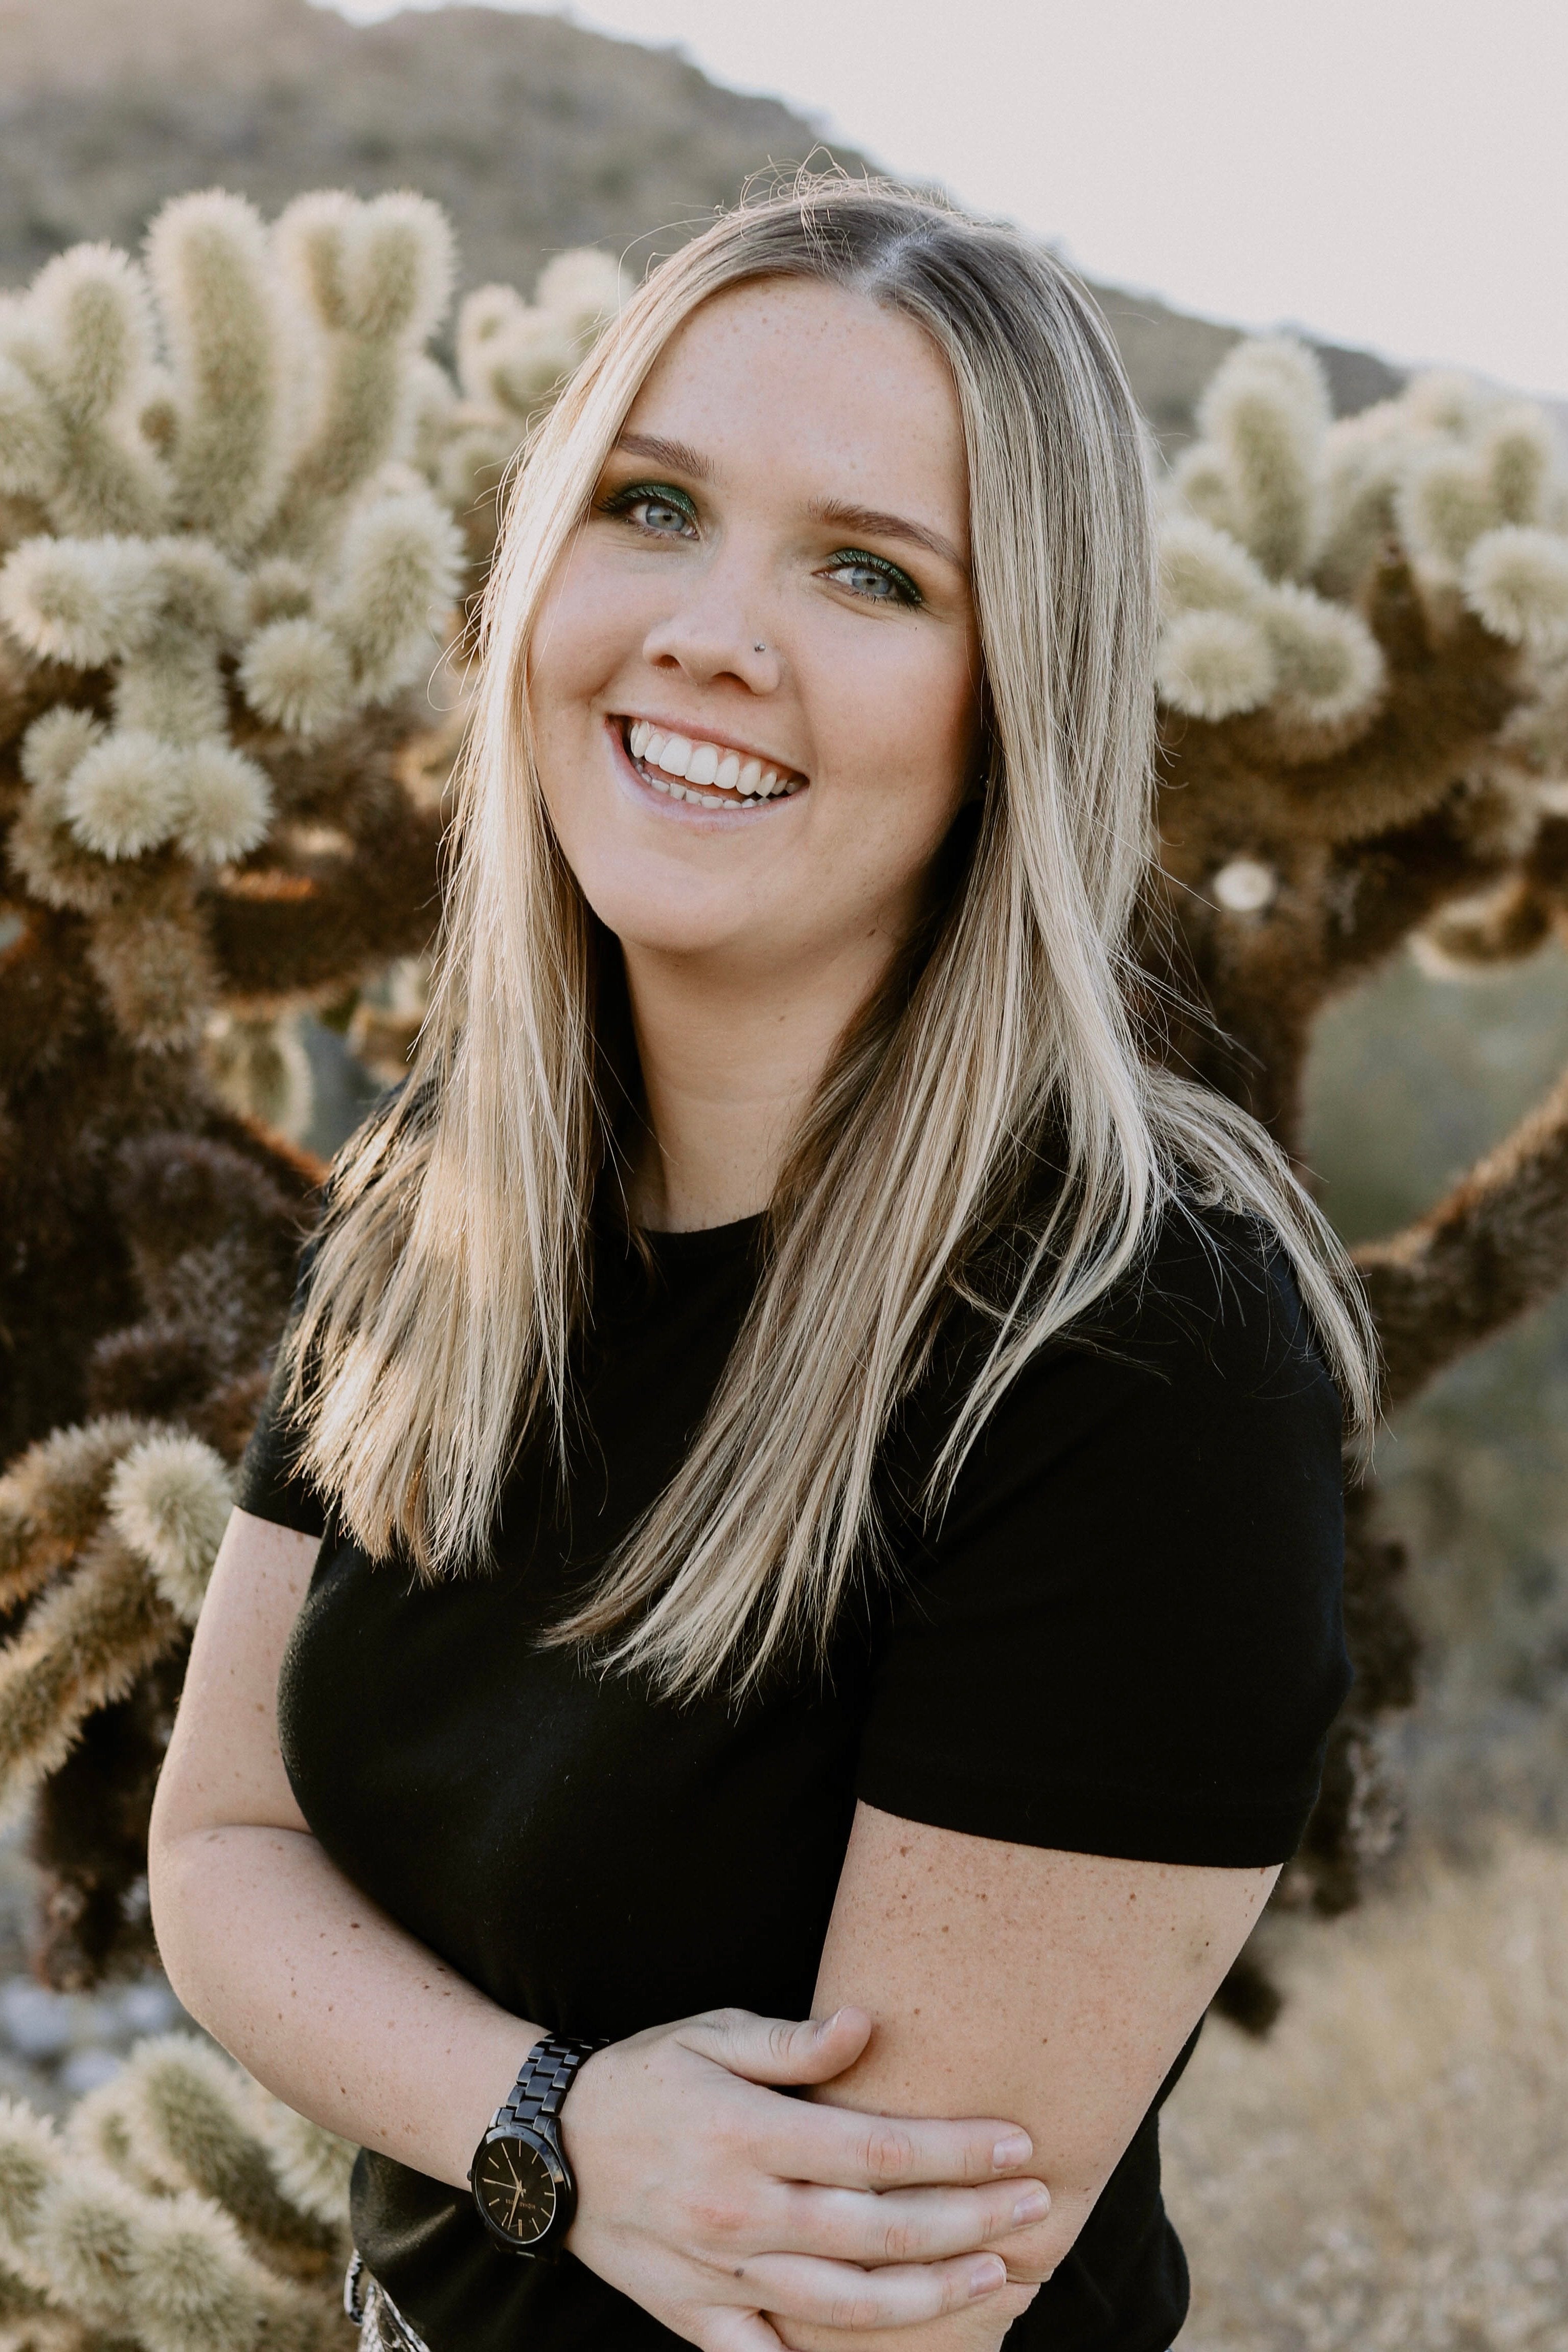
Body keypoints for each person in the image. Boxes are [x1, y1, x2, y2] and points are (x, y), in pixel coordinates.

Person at [148, 178, 1376, 2352]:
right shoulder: (459, 1177)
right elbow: (226, 1849)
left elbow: (859, 2308)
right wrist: (552, 2125)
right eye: (648, 506)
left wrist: (520, 2130)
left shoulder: (1127, 1345)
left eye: (866, 570)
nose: (714, 630)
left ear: (1018, 699)